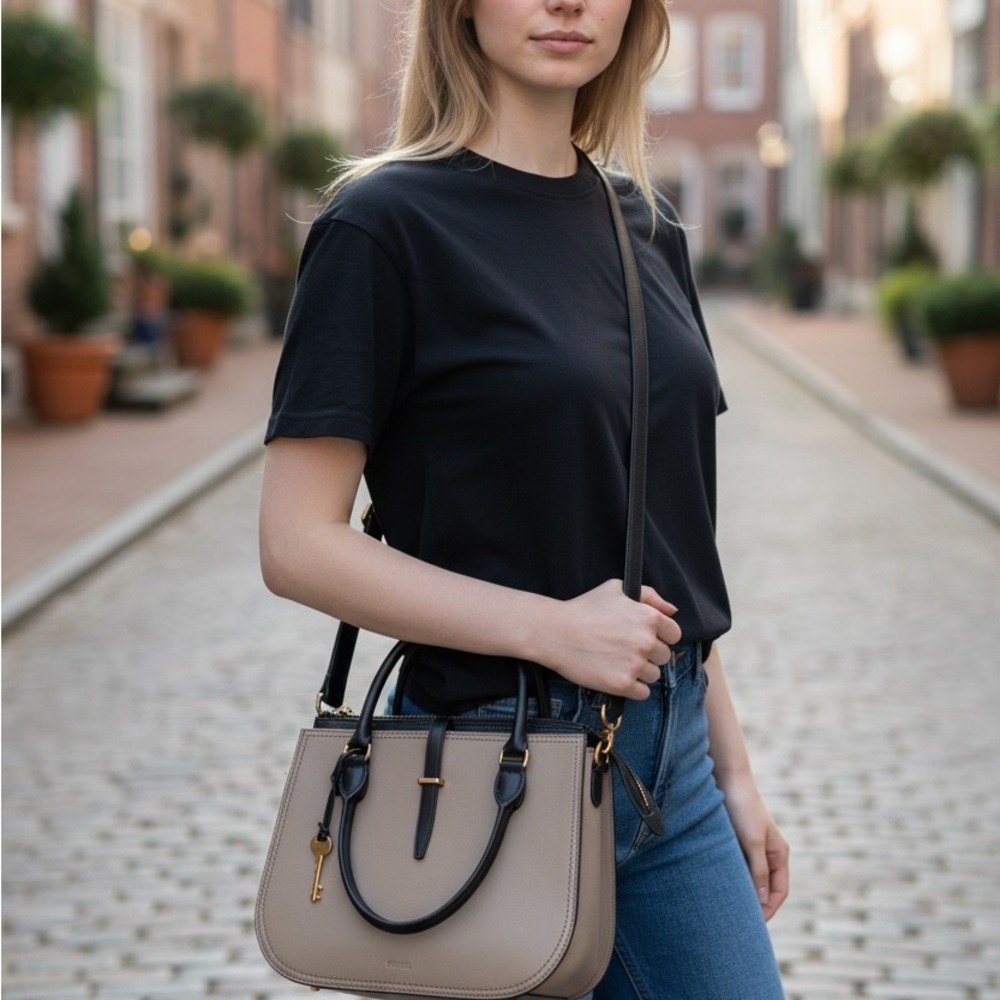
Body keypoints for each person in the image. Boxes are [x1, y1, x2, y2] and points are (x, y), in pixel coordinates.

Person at [259, 0, 789, 996]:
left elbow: (663, 545)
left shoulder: (647, 228)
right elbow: (295, 542)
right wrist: (549, 628)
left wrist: (733, 770)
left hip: (668, 773)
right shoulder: (382, 226)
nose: (565, 2)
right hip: (483, 764)